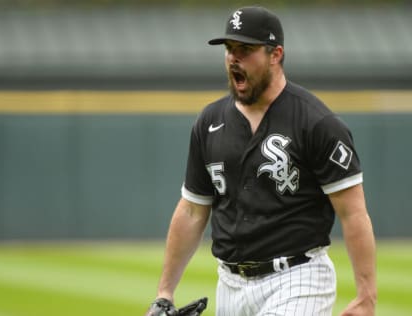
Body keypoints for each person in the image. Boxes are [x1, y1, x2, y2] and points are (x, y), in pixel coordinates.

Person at [146, 6, 376, 316]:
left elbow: (353, 213)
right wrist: (164, 293)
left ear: (275, 54)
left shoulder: (316, 122)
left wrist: (367, 296)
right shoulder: (210, 121)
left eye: (245, 49)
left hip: (297, 278)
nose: (233, 58)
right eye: (229, 49)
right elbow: (191, 209)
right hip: (229, 285)